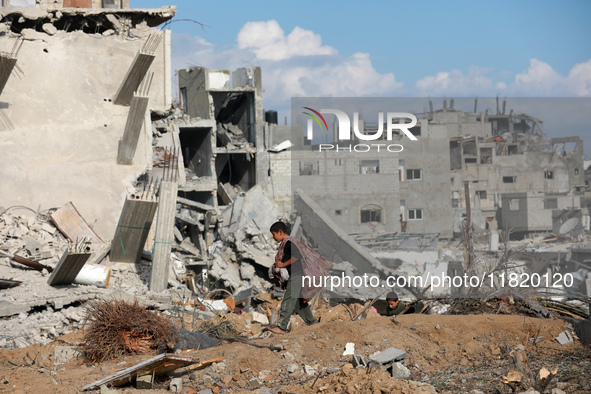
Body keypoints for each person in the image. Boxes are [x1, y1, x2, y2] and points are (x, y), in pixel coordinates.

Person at [268, 221, 330, 334]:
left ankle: (282, 327)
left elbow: (297, 256)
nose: (273, 237)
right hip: (297, 275)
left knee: (288, 300)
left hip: (296, 276)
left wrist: (282, 265)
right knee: (298, 302)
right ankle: (312, 323)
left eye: (274, 234)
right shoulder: (289, 242)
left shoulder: (288, 243)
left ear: (280, 232)